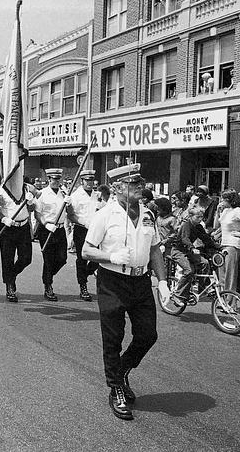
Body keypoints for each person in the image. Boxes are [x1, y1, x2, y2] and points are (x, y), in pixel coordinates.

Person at [81, 164, 169, 421]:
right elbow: (87, 251)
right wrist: (110, 256)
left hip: (140, 281)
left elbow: (155, 250)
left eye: (141, 183)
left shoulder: (148, 214)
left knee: (147, 334)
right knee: (113, 337)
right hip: (113, 282)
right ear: (118, 188)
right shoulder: (105, 215)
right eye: (133, 184)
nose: (140, 187)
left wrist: (162, 282)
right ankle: (116, 387)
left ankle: (122, 368)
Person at [30, 168, 70, 301]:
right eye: (54, 179)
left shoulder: (64, 193)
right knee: (48, 259)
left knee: (62, 258)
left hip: (59, 229)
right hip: (47, 229)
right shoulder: (42, 194)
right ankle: (48, 286)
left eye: (58, 179)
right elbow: (38, 213)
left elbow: (68, 211)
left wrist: (69, 203)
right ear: (49, 179)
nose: (56, 181)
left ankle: (48, 276)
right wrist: (46, 223)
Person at [0, 181, 36, 302]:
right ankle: (9, 286)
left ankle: (11, 275)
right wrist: (3, 218)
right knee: (8, 259)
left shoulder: (26, 189)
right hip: (8, 228)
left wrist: (31, 201)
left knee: (26, 258)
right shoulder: (0, 190)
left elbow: (32, 209)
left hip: (23, 227)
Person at [67, 170, 101, 301]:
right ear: (82, 181)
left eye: (91, 180)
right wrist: (83, 222)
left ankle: (84, 274)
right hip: (81, 229)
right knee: (82, 258)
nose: (89, 183)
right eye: (87, 181)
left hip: (95, 230)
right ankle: (83, 286)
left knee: (96, 258)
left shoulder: (96, 195)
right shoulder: (76, 195)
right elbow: (71, 215)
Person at [170, 208, 216, 302]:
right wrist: (192, 248)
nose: (200, 219)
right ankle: (178, 295)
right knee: (189, 270)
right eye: (198, 217)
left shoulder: (198, 227)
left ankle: (202, 289)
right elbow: (185, 239)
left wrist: (217, 247)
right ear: (191, 216)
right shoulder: (186, 225)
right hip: (178, 251)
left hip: (189, 251)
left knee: (205, 263)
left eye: (201, 217)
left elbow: (205, 238)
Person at [216, 188, 240, 292]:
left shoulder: (237, 211)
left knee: (230, 274)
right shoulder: (225, 211)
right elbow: (217, 225)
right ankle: (223, 298)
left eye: (223, 199)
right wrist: (218, 212)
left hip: (232, 244)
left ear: (229, 200)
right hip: (223, 243)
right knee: (222, 273)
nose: (221, 201)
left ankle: (230, 302)